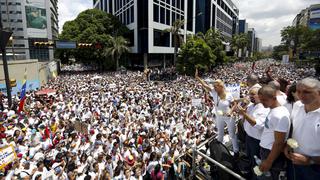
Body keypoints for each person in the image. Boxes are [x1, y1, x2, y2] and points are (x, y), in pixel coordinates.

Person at [195, 69, 239, 156]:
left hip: (229, 116)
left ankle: (236, 151)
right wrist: (197, 77)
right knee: (220, 133)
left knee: (232, 134)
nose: (214, 88)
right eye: (214, 86)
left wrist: (231, 111)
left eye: (216, 86)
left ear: (221, 86)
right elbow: (204, 84)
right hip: (219, 116)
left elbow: (235, 104)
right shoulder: (214, 92)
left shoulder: (229, 95)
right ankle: (219, 152)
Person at [284, 78, 320, 180]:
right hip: (294, 161)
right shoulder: (297, 105)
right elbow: (295, 130)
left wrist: (310, 161)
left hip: (315, 168)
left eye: (306, 92)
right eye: (298, 91)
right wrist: (288, 144)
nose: (301, 95)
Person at [236, 87, 270, 179]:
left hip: (257, 141)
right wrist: (243, 107)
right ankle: (251, 174)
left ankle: (256, 177)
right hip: (248, 137)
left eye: (253, 94)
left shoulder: (264, 108)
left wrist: (244, 114)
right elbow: (240, 116)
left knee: (256, 161)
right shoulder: (251, 106)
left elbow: (257, 124)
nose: (250, 96)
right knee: (250, 159)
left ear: (260, 95)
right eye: (249, 94)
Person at [257, 85, 290, 179]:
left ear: (274, 98)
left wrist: (269, 161)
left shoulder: (279, 115)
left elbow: (279, 142)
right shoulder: (274, 110)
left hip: (271, 153)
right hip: (267, 151)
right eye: (260, 99)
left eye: (264, 100)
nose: (262, 103)